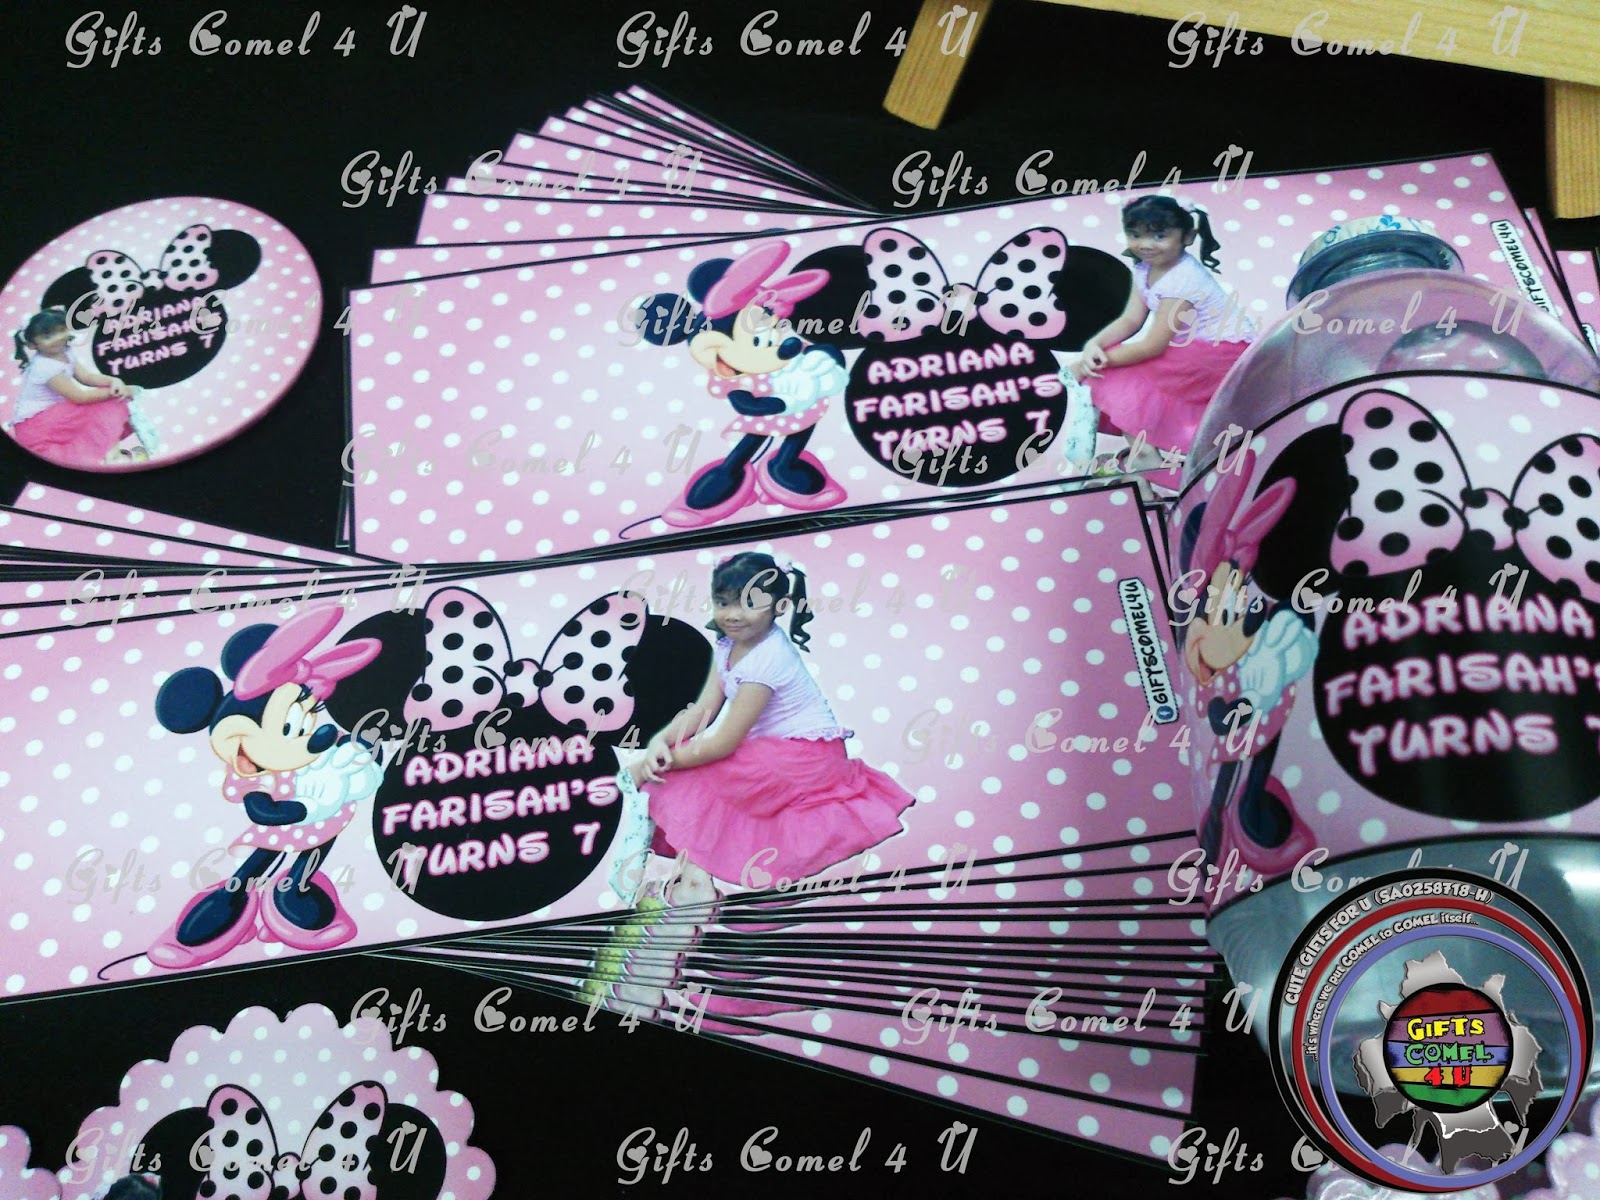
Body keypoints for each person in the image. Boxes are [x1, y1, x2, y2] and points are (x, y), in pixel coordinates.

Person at [604, 551, 915, 1021]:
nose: (733, 613)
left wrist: (649, 768)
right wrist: (661, 742)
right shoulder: (728, 644)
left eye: (749, 603)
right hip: (770, 748)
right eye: (723, 601)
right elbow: (704, 710)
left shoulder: (770, 657)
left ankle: (696, 885)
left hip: (806, 758)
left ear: (779, 607)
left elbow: (723, 743)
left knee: (693, 779)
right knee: (682, 771)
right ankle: (693, 880)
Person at [1062, 196, 1256, 472]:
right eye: (1135, 234)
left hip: (1221, 353)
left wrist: (1088, 364)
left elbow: (1153, 346)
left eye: (1159, 236)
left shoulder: (1182, 280)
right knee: (1112, 366)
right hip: (1192, 346)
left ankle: (1146, 456)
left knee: (1116, 374)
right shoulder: (1145, 268)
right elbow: (1131, 319)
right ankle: (1144, 452)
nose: (1145, 244)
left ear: (1188, 237)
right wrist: (1095, 344)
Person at [9, 308, 149, 467]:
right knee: (108, 403)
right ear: (32, 345)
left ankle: (111, 453)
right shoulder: (44, 366)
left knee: (110, 397)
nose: (58, 338)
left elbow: (86, 377)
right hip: (38, 425)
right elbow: (79, 397)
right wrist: (118, 391)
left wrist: (114, 381)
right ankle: (114, 457)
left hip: (54, 413)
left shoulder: (65, 351)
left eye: (62, 330)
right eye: (48, 336)